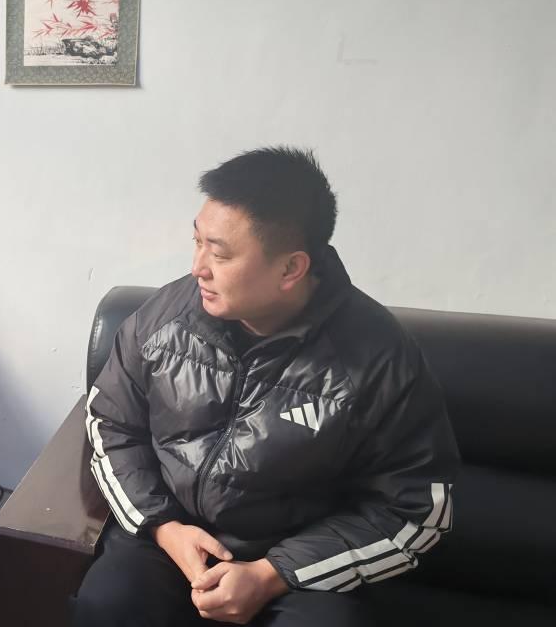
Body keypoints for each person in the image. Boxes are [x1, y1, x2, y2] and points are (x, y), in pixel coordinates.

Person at [73, 147, 460, 626]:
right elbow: (111, 422)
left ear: (291, 269)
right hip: (168, 535)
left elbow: (414, 510)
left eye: (220, 253)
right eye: (197, 242)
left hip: (297, 566)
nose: (198, 267)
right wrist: (164, 528)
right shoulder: (165, 317)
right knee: (109, 603)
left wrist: (271, 573)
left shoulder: (380, 359)